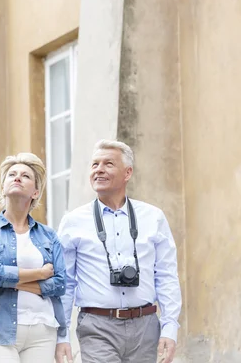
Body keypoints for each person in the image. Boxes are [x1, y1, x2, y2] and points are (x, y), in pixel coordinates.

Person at [55, 140, 182, 363]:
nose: (99, 169)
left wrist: (170, 328)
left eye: (108, 164)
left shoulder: (153, 217)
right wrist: (62, 335)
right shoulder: (73, 221)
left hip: (146, 326)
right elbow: (66, 282)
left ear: (127, 172)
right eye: (94, 164)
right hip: (96, 326)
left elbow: (166, 276)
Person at [0, 153, 67, 363]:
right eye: (11, 175)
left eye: (25, 176)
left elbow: (60, 284)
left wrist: (14, 282)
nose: (17, 178)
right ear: (3, 187)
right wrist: (40, 274)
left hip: (43, 329)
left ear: (35, 192)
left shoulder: (48, 235)